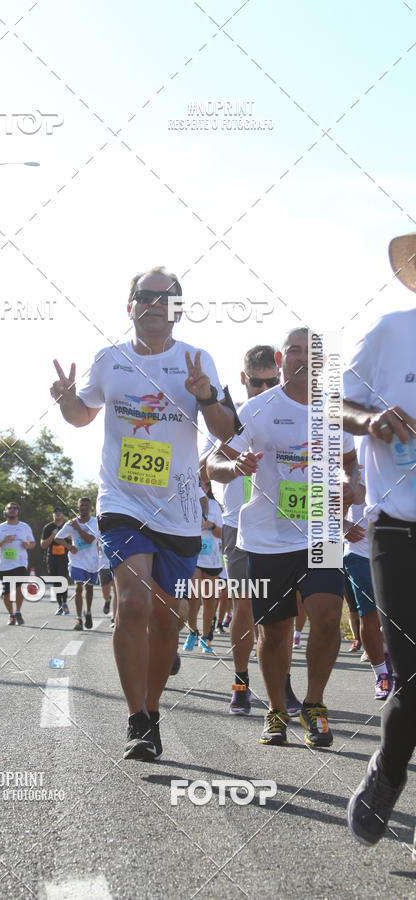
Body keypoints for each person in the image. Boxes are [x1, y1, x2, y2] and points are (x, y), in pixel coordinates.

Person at [51, 265, 233, 760]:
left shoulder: (197, 360)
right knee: (131, 601)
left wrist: (206, 397)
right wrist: (67, 400)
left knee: (166, 620)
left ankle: (153, 709)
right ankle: (137, 719)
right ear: (129, 305)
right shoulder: (109, 360)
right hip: (122, 504)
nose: (155, 304)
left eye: (166, 297)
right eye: (145, 296)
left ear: (178, 308)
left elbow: (226, 430)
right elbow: (82, 415)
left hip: (177, 509)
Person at [207, 327, 357, 746]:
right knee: (274, 633)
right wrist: (235, 469)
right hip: (268, 539)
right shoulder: (258, 409)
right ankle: (275, 708)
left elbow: (351, 463)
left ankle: (313, 704)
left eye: (312, 356)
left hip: (321, 531)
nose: (302, 361)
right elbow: (214, 461)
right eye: (294, 352)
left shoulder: (334, 412)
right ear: (281, 357)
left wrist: (352, 486)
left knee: (328, 615)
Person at [345, 231, 416, 846]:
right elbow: (331, 403)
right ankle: (386, 773)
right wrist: (370, 420)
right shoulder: (391, 333)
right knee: (414, 677)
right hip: (398, 528)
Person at [199, 344, 282, 716]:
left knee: (281, 613)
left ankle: (283, 687)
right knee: (244, 607)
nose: (265, 390)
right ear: (243, 379)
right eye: (257, 383)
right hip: (237, 525)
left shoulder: (289, 409)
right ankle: (241, 683)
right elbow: (204, 467)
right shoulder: (226, 416)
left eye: (272, 382)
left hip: (284, 525)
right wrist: (231, 447)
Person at [343, 436, 392, 699]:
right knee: (369, 615)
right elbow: (328, 501)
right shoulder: (355, 448)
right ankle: (381, 673)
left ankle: (389, 653)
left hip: (396, 550)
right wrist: (343, 526)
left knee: (398, 615)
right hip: (360, 553)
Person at [184, 482, 223, 654]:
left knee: (209, 599)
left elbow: (221, 533)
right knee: (194, 595)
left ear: (207, 488)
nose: (200, 489)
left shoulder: (215, 506)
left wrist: (210, 525)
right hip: (195, 554)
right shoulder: (188, 502)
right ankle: (192, 631)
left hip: (212, 558)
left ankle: (206, 637)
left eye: (202, 486)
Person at [54, 498, 100, 630]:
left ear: (91, 508)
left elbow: (90, 539)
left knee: (89, 589)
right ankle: (79, 619)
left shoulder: (94, 522)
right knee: (78, 587)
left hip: (91, 561)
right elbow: (58, 537)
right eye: (82, 505)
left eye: (87, 505)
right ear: (77, 507)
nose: (84, 507)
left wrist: (78, 528)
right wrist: (69, 546)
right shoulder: (71, 523)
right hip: (76, 561)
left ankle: (89, 612)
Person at [0, 502, 35, 625]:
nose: (12, 510)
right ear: (5, 512)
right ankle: (11, 614)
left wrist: (28, 545)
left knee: (19, 587)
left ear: (18, 512)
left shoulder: (25, 527)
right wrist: (3, 541)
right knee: (6, 594)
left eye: (15, 508)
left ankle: (18, 611)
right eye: (10, 508)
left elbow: (33, 543)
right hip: (4, 564)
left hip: (20, 563)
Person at [40, 507, 70, 614]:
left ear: (63, 514)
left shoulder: (67, 526)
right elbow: (43, 545)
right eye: (55, 512)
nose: (58, 514)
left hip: (65, 558)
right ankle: (59, 605)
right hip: (52, 558)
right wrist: (53, 536)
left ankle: (65, 603)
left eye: (60, 512)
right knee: (56, 581)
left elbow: (73, 540)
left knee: (63, 580)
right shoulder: (48, 527)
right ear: (53, 515)